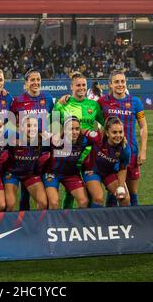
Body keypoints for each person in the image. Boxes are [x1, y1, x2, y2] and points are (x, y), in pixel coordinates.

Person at [53, 72, 105, 209]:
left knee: (90, 192)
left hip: (89, 156)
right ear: (71, 87)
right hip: (69, 156)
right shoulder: (62, 105)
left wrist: (100, 143)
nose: (81, 88)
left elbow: (106, 124)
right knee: (70, 192)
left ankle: (88, 222)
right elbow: (53, 127)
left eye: (83, 85)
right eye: (78, 85)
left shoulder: (93, 105)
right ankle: (67, 221)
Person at [97, 70, 148, 207]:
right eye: (116, 82)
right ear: (110, 85)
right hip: (110, 154)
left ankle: (134, 222)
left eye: (122, 81)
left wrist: (143, 151)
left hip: (130, 151)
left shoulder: (135, 102)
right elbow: (90, 115)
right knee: (114, 190)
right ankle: (112, 221)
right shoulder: (103, 101)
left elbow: (143, 126)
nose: (120, 84)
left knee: (132, 192)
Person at [10, 68, 54, 211]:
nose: (36, 82)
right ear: (26, 83)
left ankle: (41, 219)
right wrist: (23, 133)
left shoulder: (47, 98)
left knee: (39, 185)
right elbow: (11, 123)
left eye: (38, 79)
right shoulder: (18, 101)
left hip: (43, 148)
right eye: (32, 80)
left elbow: (53, 118)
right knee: (25, 190)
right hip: (25, 148)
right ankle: (25, 219)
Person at [42, 117, 90, 209]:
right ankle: (52, 223)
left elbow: (100, 141)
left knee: (84, 202)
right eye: (71, 129)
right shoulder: (55, 140)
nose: (74, 132)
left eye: (77, 129)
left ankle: (76, 223)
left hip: (71, 175)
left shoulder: (83, 141)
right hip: (52, 174)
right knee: (53, 203)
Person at [82, 116, 131, 207]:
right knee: (98, 198)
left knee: (124, 199)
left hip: (109, 172)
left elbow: (123, 168)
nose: (118, 135)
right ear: (107, 133)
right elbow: (82, 131)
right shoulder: (97, 137)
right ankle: (94, 221)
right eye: (114, 132)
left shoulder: (125, 148)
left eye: (121, 132)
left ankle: (118, 221)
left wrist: (120, 186)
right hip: (92, 170)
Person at [2, 116, 48, 211]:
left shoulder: (42, 140)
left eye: (35, 126)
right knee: (10, 204)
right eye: (28, 126)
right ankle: (4, 224)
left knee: (43, 203)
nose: (32, 128)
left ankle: (37, 224)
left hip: (30, 174)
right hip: (12, 174)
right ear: (21, 128)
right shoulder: (12, 136)